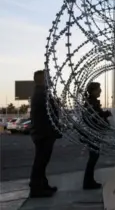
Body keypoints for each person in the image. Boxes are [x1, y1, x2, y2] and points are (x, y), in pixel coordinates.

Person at [29, 70, 62, 198]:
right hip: (44, 133)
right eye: (47, 78)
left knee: (42, 161)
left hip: (43, 132)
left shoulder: (41, 93)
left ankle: (42, 185)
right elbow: (49, 114)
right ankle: (36, 189)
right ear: (42, 80)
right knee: (40, 162)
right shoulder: (42, 94)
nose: (50, 80)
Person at [81, 82, 111, 189]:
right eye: (99, 89)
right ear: (93, 91)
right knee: (93, 157)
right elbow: (96, 117)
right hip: (93, 134)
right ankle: (88, 182)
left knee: (93, 157)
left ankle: (89, 181)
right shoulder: (91, 103)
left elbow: (96, 115)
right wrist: (106, 115)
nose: (100, 91)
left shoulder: (90, 102)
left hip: (92, 133)